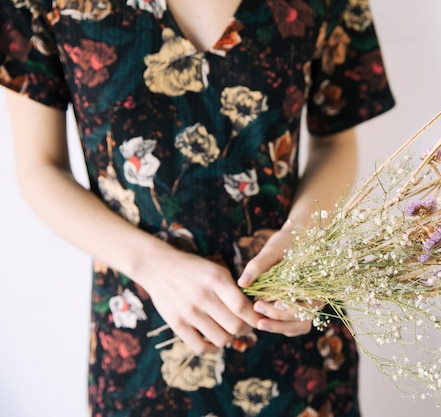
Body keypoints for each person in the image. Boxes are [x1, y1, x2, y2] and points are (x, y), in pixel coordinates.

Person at [0, 0, 394, 415]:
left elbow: (334, 143)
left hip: (296, 333)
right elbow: (40, 168)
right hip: (142, 347)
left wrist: (304, 239)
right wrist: (154, 265)